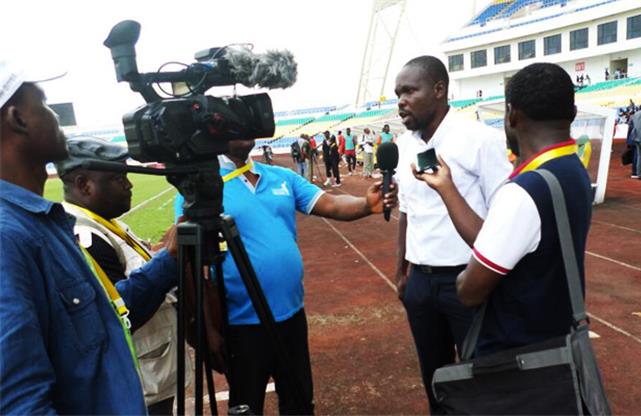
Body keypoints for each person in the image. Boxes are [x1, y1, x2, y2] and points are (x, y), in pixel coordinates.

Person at [0, 65, 179, 414]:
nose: (56, 117)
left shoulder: (42, 224)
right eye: (45, 104)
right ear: (18, 119)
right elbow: (19, 400)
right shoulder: (8, 236)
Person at [173, 137, 397, 415]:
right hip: (240, 324)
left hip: (292, 317)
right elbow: (191, 268)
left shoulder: (280, 176)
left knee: (299, 401)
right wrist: (208, 330)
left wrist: (366, 203)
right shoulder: (201, 190)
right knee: (246, 405)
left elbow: (332, 204)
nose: (244, 130)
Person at [412, 62, 594, 363]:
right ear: (572, 114)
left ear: (512, 114)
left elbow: (468, 291)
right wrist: (447, 188)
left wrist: (461, 279)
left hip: (517, 354)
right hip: (555, 340)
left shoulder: (523, 192)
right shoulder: (574, 171)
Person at [392, 55, 511, 414]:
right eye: (398, 93)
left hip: (469, 279)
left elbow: (504, 213)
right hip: (420, 284)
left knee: (484, 377)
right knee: (436, 377)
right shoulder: (403, 146)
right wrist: (401, 271)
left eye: (410, 91)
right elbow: (407, 212)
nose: (401, 101)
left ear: (439, 90)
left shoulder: (480, 139)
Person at [53, 136, 192, 415]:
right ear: (83, 184)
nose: (129, 184)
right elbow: (117, 313)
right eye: (118, 178)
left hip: (152, 372)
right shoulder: (83, 235)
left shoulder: (105, 223)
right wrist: (170, 259)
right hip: (138, 384)